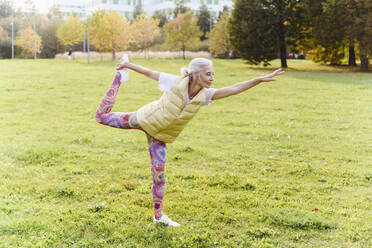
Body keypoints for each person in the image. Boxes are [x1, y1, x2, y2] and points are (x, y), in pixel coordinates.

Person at [95, 57, 284, 226]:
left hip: (160, 137)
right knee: (101, 116)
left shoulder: (206, 95)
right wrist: (127, 65)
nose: (212, 78)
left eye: (213, 75)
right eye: (208, 74)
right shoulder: (174, 82)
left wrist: (258, 80)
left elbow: (234, 89)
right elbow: (149, 72)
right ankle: (119, 78)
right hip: (144, 119)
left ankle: (158, 216)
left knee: (159, 176)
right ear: (195, 74)